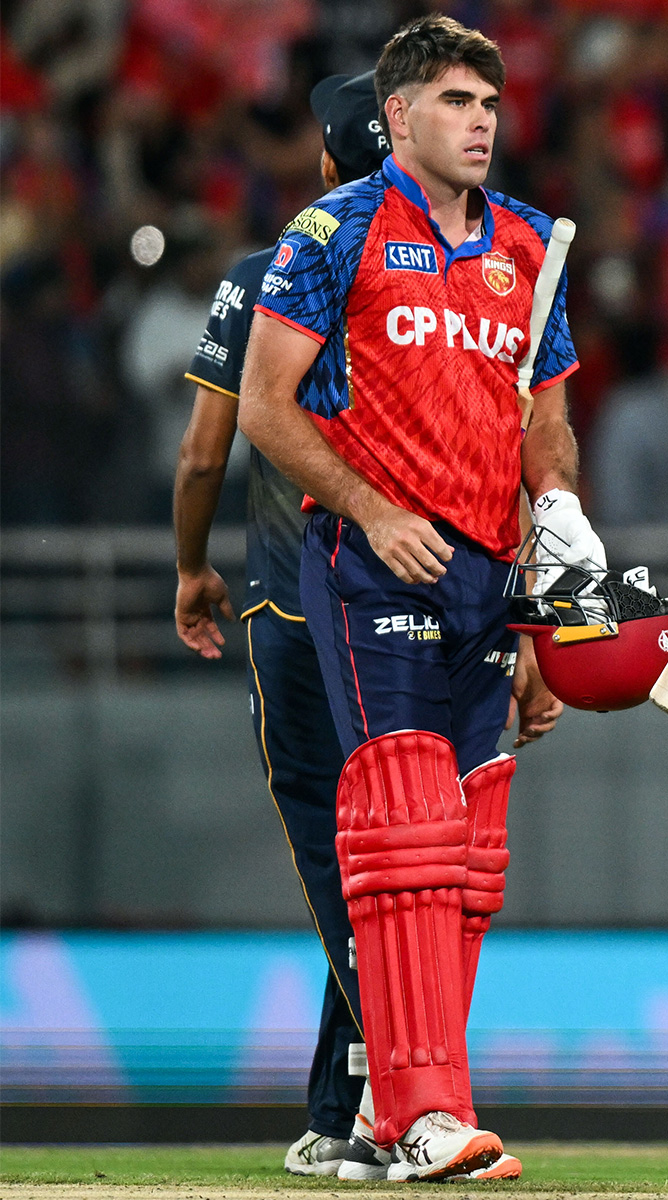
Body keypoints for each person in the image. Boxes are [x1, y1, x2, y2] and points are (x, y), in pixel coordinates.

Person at [237, 15, 591, 1183]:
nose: (481, 119)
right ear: (395, 118)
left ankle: (412, 1115)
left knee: (469, 855)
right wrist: (375, 510)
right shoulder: (329, 231)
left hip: (492, 585)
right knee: (402, 833)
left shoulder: (533, 244)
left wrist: (556, 587)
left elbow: (544, 424)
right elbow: (265, 408)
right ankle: (423, 1110)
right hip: (370, 567)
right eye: (453, 99)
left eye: (488, 100)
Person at [172, 69, 390, 1179]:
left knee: (335, 856)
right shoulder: (441, 282)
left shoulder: (268, 273)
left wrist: (188, 569)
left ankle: (382, 1099)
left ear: (324, 164)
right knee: (393, 855)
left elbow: (207, 451)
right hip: (412, 599)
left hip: (289, 602)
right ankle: (340, 1097)